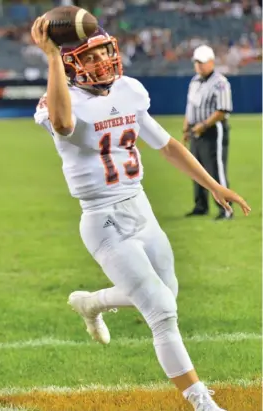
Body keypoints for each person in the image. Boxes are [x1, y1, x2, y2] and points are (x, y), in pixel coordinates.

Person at [32, 18, 250, 411]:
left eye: (103, 51)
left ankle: (93, 302)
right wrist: (50, 56)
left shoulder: (129, 90)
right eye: (90, 55)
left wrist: (213, 185)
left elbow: (166, 145)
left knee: (168, 296)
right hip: (102, 217)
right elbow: (63, 125)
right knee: (161, 312)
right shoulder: (61, 99)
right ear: (69, 65)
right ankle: (202, 402)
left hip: (140, 206)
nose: (101, 60)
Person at [183, 45, 234, 220]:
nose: (199, 66)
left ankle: (226, 209)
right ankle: (200, 206)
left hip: (213, 130)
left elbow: (223, 109)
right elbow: (190, 106)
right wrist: (186, 126)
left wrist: (204, 125)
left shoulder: (220, 82)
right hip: (196, 131)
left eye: (202, 62)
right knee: (196, 170)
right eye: (197, 62)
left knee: (216, 170)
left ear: (211, 62)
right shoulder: (195, 81)